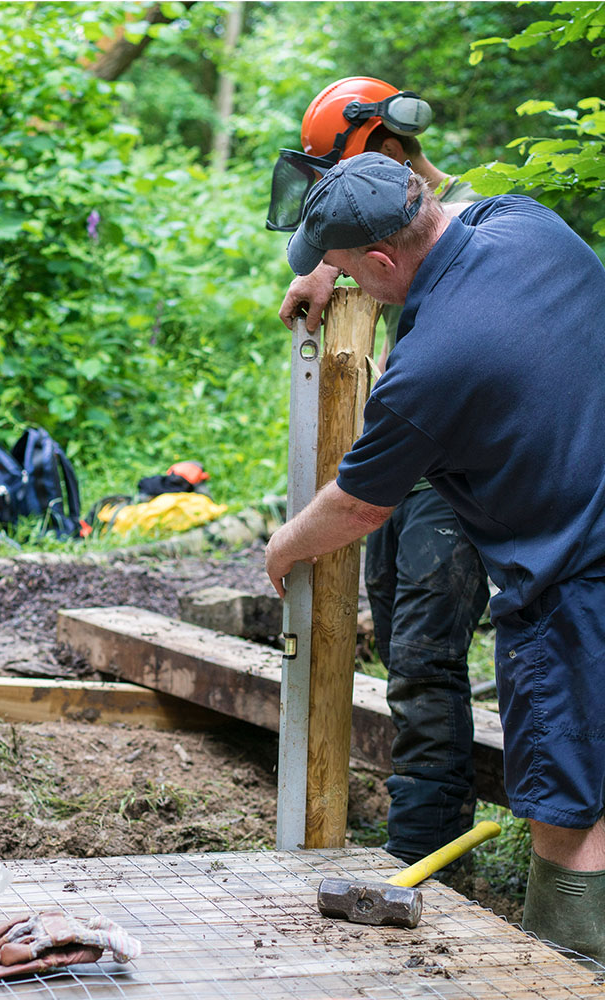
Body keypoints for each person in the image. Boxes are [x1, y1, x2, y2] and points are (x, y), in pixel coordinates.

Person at [264, 150, 605, 964]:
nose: (349, 285)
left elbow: (359, 504)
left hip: (570, 590)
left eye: (350, 270)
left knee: (567, 801)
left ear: (381, 260)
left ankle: (568, 964)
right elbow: (465, 207)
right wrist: (325, 266)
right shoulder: (532, 228)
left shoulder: (432, 368)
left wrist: (285, 545)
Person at [270, 78, 490, 871]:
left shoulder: (477, 216)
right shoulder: (392, 236)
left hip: (457, 477)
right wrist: (333, 268)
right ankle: (434, 835)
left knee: (428, 661)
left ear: (394, 151)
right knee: (403, 654)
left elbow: (435, 236)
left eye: (349, 174)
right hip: (412, 471)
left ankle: (425, 856)